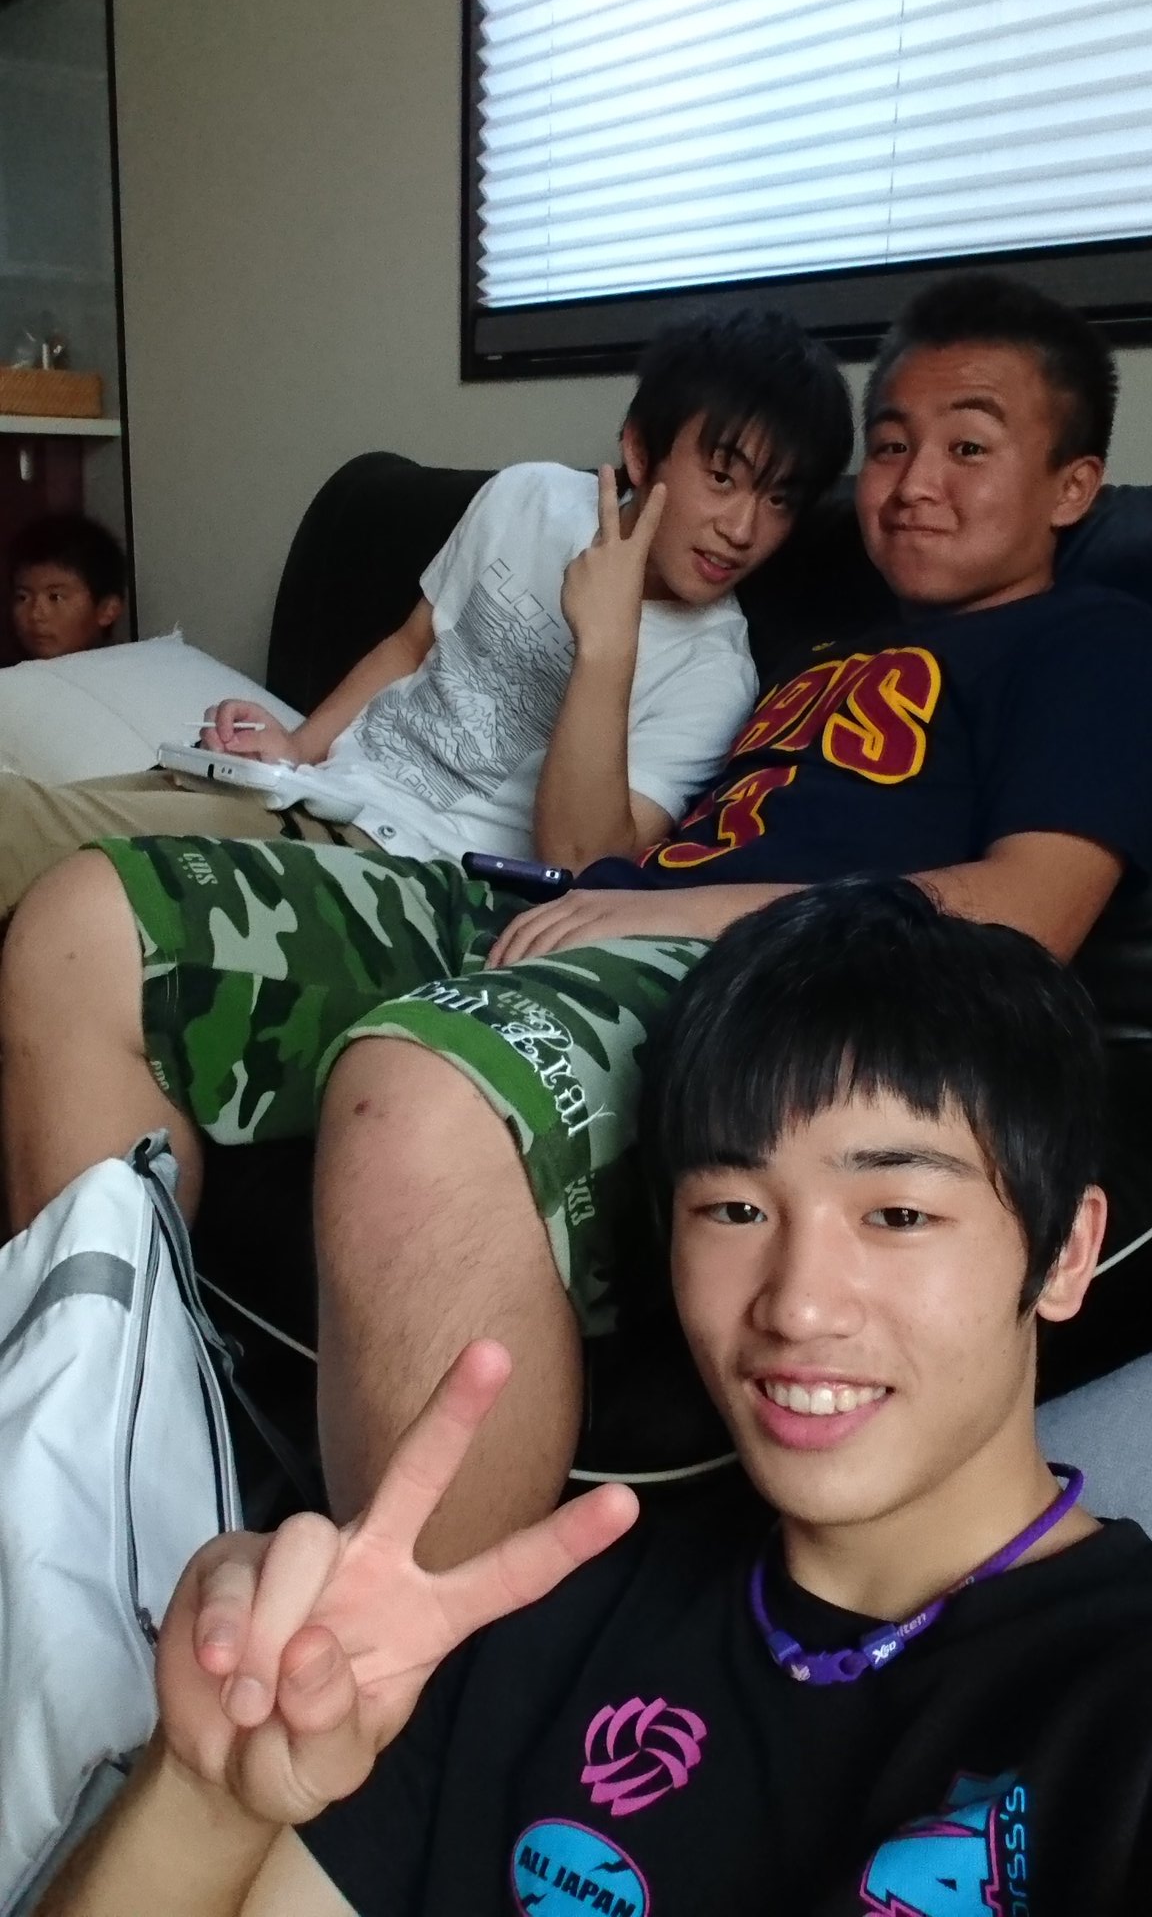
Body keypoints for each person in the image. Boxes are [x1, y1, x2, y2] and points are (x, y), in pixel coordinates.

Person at [6, 271, 1152, 1566]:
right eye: (890, 446)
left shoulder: (1093, 643)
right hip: (545, 906)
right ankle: (88, 1537)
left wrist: (675, 913)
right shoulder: (819, 655)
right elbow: (584, 837)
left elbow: (1025, 917)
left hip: (760, 980)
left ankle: (408, 1663)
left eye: (968, 448)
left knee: (427, 1080)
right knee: (84, 921)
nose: (910, 483)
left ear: (1072, 486)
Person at [33, 884, 1152, 1915]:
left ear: (1065, 1252)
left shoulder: (1115, 1704)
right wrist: (207, 1785)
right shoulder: (529, 1630)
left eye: (898, 1215)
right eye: (734, 1210)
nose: (798, 1304)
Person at [0, 307, 854, 918]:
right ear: (639, 449)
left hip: (405, 870)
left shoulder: (714, 672)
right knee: (27, 815)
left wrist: (606, 649)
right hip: (308, 796)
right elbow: (412, 643)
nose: (744, 529)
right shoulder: (524, 496)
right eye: (722, 477)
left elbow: (581, 866)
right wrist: (298, 747)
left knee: (33, 841)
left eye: (779, 499)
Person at [7, 513, 126, 662]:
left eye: (55, 597)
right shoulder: (11, 675)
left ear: (107, 609)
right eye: (22, 597)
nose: (35, 615)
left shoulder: (131, 671)